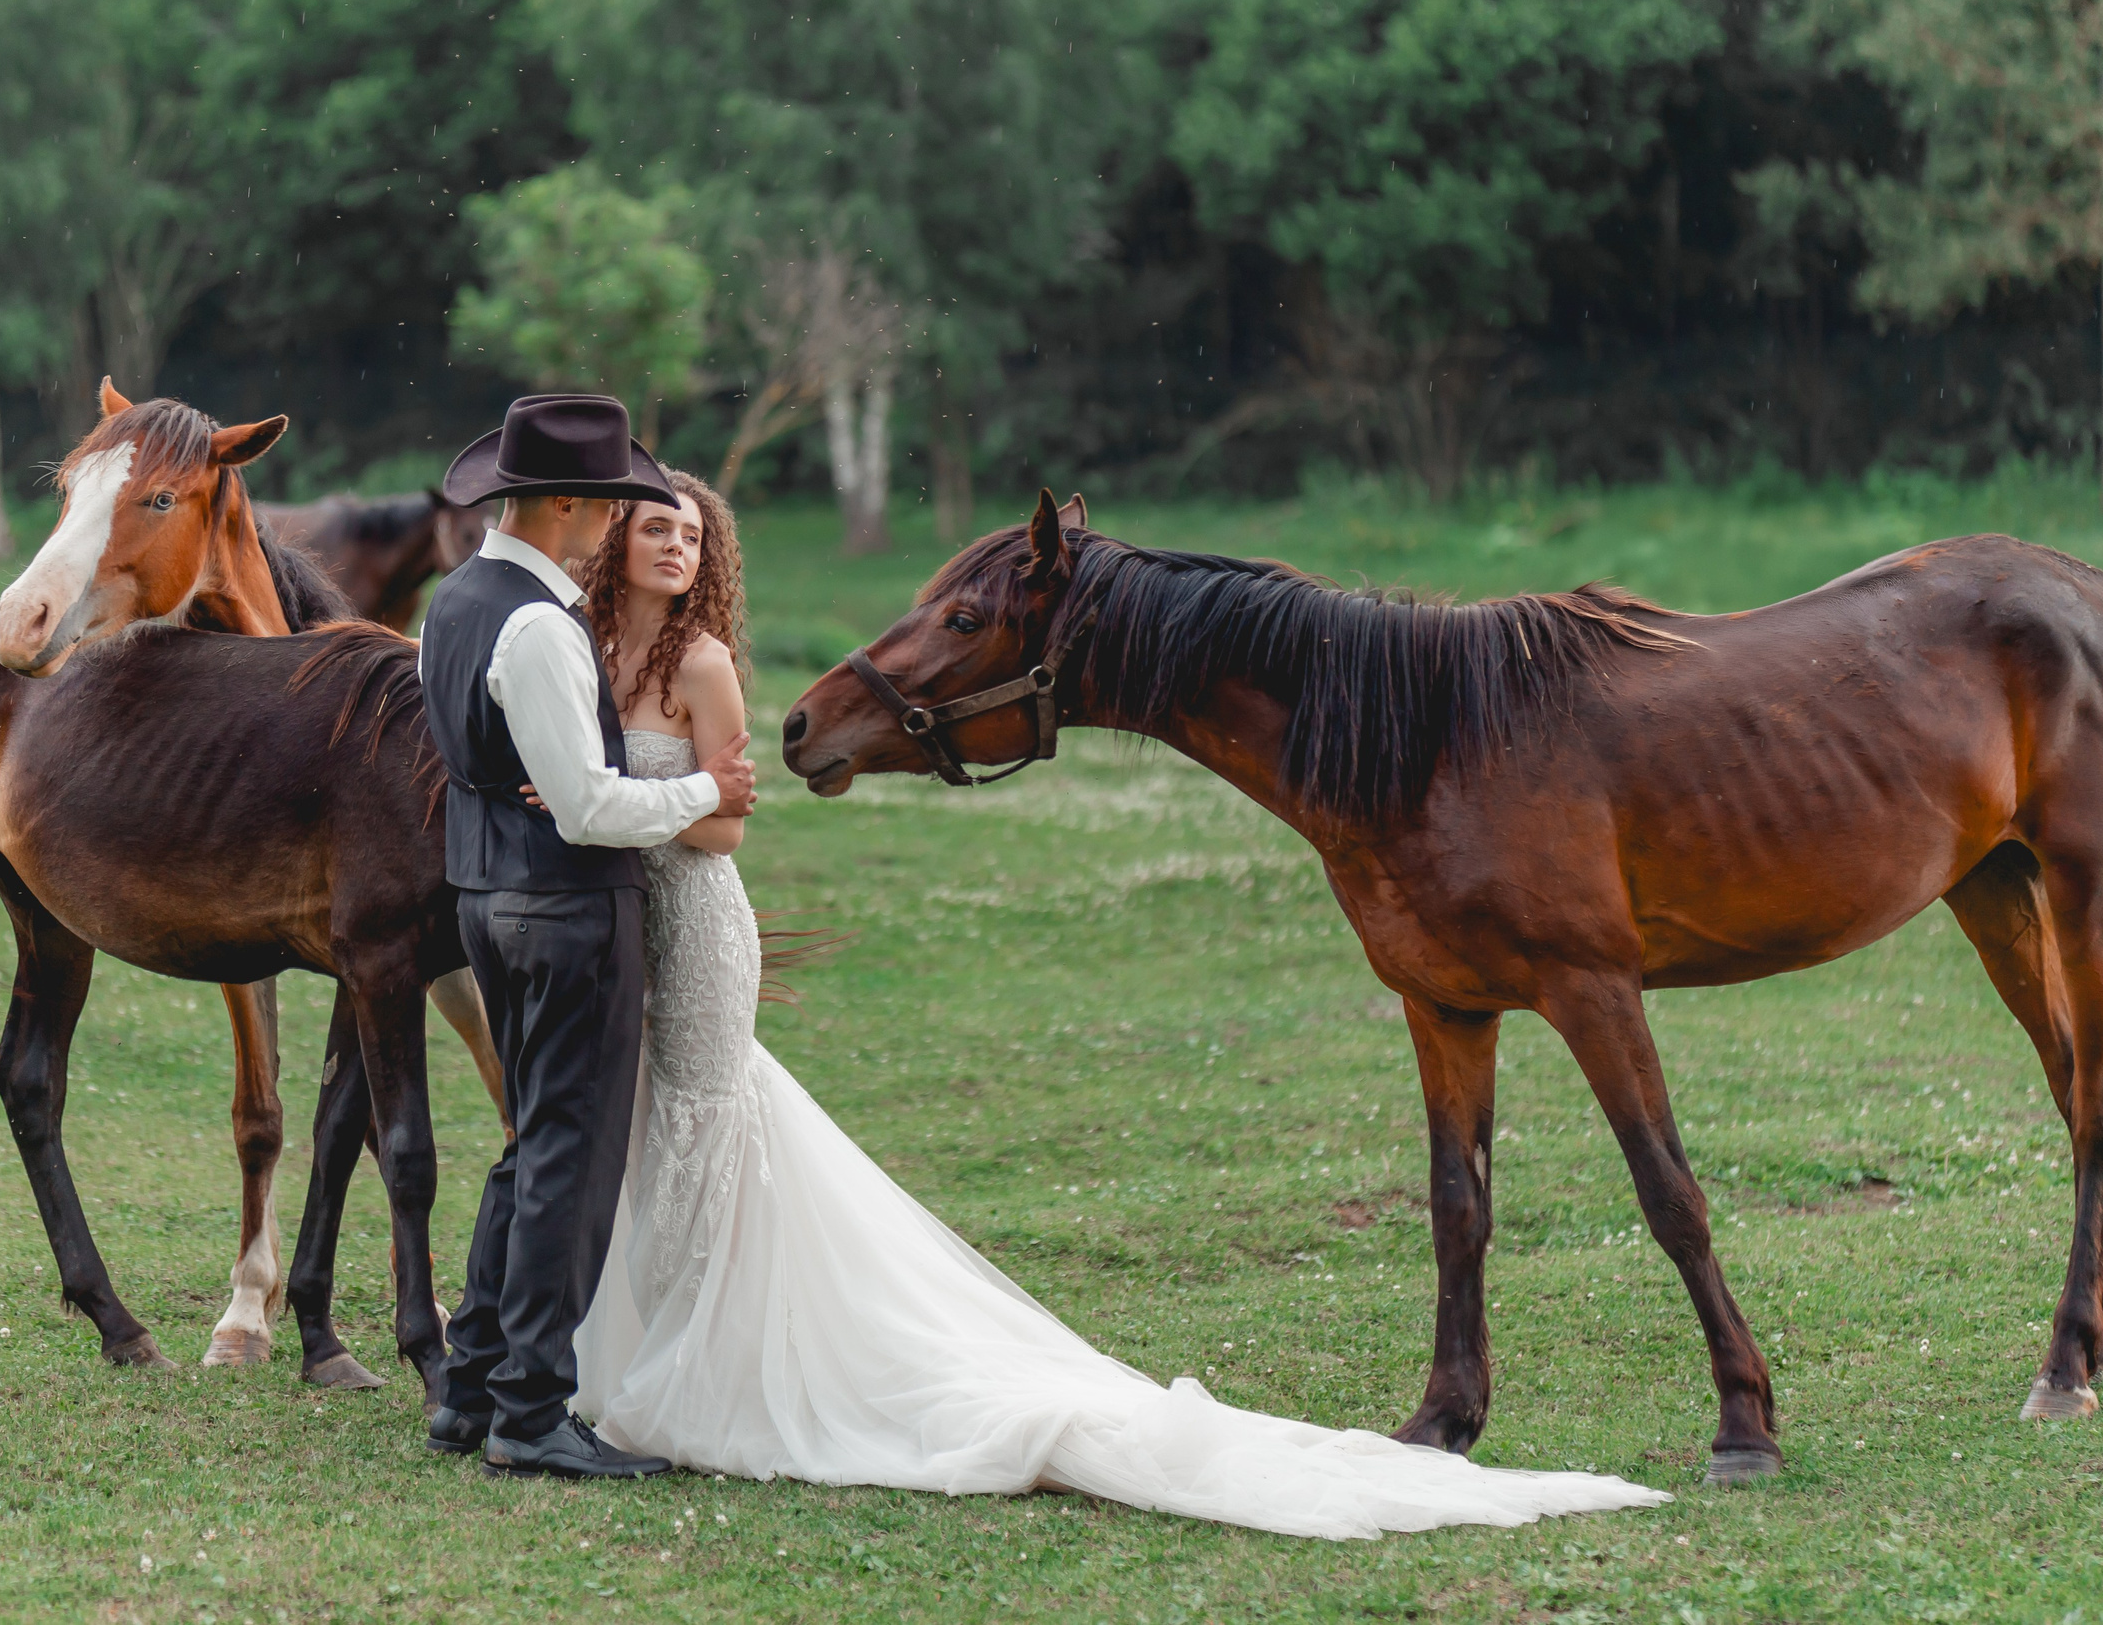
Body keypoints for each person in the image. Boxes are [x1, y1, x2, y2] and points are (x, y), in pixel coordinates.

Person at [552, 470, 1671, 1539]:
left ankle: (697, 1374)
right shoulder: (592, 647)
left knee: (700, 1126)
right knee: (652, 1137)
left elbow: (720, 815)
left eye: (690, 533)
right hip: (620, 927)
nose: (674, 545)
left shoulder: (698, 660)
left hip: (691, 917)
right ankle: (657, 1355)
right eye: (654, 528)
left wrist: (633, 799)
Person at [415, 394, 755, 1481]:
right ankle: (530, 1411)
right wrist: (707, 785)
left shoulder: (452, 602)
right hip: (566, 910)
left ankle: (470, 1388)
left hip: (483, 897)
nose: (619, 525)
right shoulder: (538, 624)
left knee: (527, 1145)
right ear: (570, 505)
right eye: (613, 505)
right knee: (570, 1155)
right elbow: (591, 811)